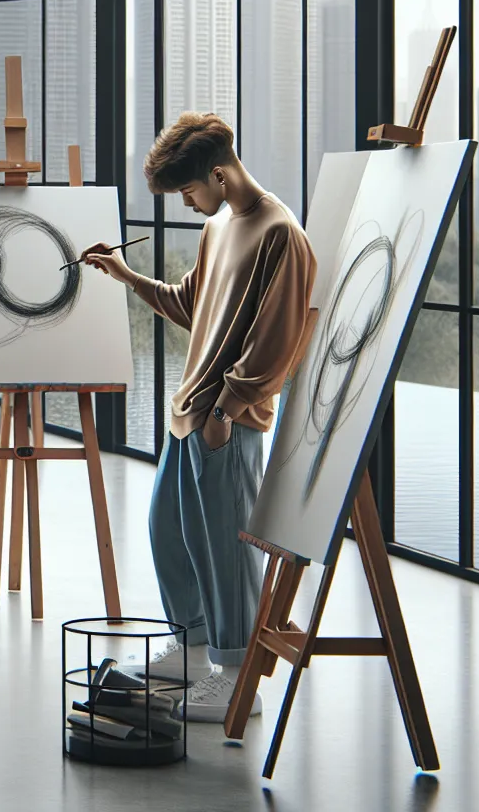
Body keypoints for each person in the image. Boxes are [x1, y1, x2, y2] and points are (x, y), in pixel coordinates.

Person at [81, 112, 316, 723]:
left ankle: (238, 678)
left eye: (188, 190)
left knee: (226, 552)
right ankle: (190, 650)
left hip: (225, 422)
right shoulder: (218, 228)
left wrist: (228, 410)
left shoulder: (279, 234)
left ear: (218, 171)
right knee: (169, 533)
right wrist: (127, 275)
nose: (187, 202)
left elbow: (277, 342)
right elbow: (191, 305)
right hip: (190, 414)